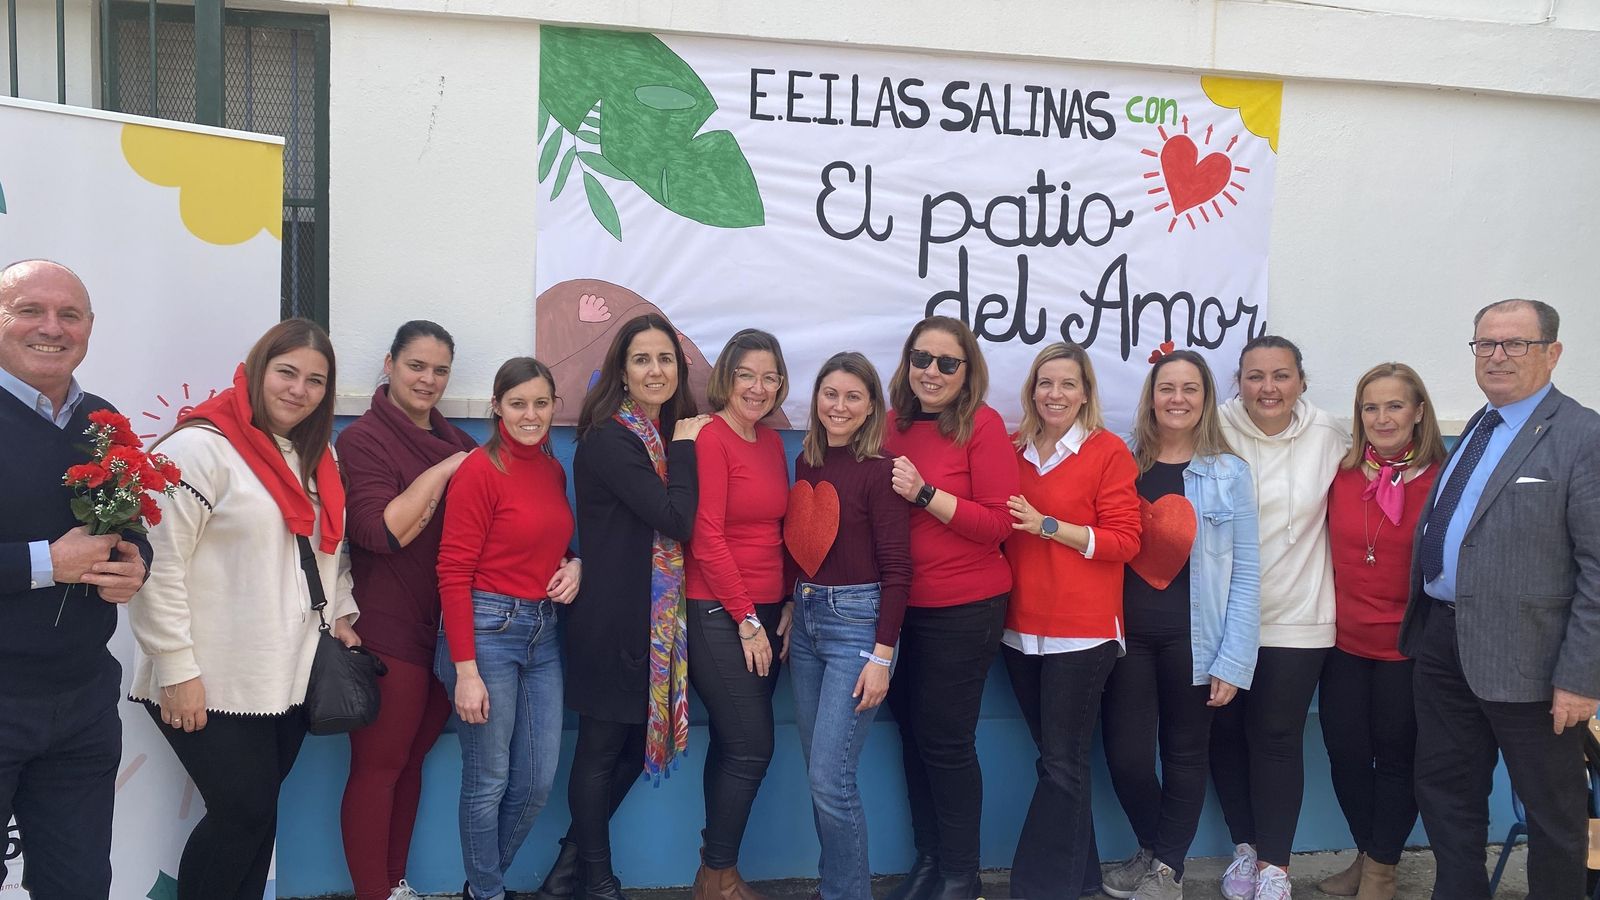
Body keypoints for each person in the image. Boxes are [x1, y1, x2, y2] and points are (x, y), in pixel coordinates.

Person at [129, 318, 359, 900]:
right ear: (257, 370)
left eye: (315, 380)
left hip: (286, 674)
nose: (298, 390)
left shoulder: (315, 454)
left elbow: (330, 549)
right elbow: (158, 567)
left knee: (258, 819)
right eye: (286, 372)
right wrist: (177, 670)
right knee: (242, 815)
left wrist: (343, 612)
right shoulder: (197, 449)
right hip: (210, 674)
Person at [1400, 299, 1600, 900]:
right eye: (1485, 344)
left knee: (1553, 814)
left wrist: (1583, 676)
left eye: (1516, 344)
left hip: (1534, 664)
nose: (1497, 356)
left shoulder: (1582, 435)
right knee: (1445, 791)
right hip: (1443, 642)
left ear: (1553, 353)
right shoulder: (1479, 428)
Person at [536, 314, 709, 900]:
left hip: (651, 621)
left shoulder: (653, 438)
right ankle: (599, 877)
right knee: (602, 747)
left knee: (633, 747)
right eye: (642, 360)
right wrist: (686, 449)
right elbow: (676, 519)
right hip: (612, 620)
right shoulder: (614, 438)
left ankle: (569, 868)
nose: (655, 370)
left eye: (665, 359)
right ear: (622, 372)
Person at [0, 259, 152, 899]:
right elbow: (56, 554)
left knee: (79, 885)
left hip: (82, 704)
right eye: (29, 310)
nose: (51, 328)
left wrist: (134, 564)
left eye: (70, 314)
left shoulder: (102, 421)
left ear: (90, 326)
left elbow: (128, 525)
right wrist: (43, 564)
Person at [1100, 349, 1259, 900]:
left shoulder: (1230, 474)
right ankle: (1154, 850)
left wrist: (1235, 659)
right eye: (1167, 387)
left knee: (1186, 754)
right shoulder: (1120, 460)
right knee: (1125, 755)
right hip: (1125, 638)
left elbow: (1246, 575)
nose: (1178, 399)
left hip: (1199, 639)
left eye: (1190, 389)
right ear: (1150, 396)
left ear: (1206, 399)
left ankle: (1166, 870)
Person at [337, 321, 477, 900]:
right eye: (417, 366)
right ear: (390, 364)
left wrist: (570, 561)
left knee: (412, 761)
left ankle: (393, 885)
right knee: (380, 766)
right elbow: (375, 532)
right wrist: (448, 470)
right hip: (386, 626)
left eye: (440, 370)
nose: (429, 379)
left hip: (447, 633)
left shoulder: (461, 441)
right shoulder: (363, 440)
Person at [881, 315, 1018, 900]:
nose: (931, 372)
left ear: (968, 372)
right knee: (910, 735)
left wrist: (926, 495)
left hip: (965, 605)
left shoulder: (981, 426)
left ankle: (963, 874)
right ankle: (930, 860)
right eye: (922, 359)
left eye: (946, 363)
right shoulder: (888, 425)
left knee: (946, 740)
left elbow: (996, 525)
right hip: (897, 608)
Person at [434, 357, 579, 900]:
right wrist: (465, 671)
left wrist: (575, 564)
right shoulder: (478, 471)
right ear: (496, 406)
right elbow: (453, 571)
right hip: (486, 632)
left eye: (542, 403)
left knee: (537, 782)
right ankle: (489, 893)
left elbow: (549, 540)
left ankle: (481, 887)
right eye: (518, 403)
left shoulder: (551, 467)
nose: (531, 414)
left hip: (542, 632)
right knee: (489, 780)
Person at [999, 342, 1141, 900]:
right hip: (1018, 631)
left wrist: (1049, 526)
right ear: (1032, 390)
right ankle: (1081, 880)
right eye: (1045, 383)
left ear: (1086, 393)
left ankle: (1038, 886)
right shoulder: (1014, 449)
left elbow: (1126, 540)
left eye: (1068, 384)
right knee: (1059, 762)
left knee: (1061, 763)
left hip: (1081, 634)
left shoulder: (1108, 452)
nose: (1055, 394)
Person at [1212, 335, 1348, 900]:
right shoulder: (1211, 429)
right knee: (1224, 737)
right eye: (1255, 376)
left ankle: (1275, 867)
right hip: (1220, 619)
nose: (1268, 388)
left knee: (1275, 736)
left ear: (1301, 381)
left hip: (1299, 617)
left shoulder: (1332, 435)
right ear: (1238, 382)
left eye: (1282, 375)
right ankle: (1244, 849)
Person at [784, 351, 911, 900]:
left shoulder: (881, 473)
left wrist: (882, 657)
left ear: (871, 409)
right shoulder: (806, 463)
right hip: (808, 623)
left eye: (853, 396)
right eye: (830, 394)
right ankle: (835, 885)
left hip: (859, 630)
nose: (839, 406)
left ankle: (847, 893)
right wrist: (792, 605)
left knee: (830, 780)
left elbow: (899, 571)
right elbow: (803, 547)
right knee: (820, 775)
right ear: (816, 400)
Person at [1314, 363, 1443, 900]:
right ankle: (1367, 853)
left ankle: (1383, 871)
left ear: (1418, 412)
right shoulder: (1342, 473)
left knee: (1396, 759)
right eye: (1371, 407)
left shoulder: (1443, 478)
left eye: (1394, 406)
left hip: (1407, 647)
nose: (1382, 417)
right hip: (1344, 643)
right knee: (1344, 755)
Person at [684, 329, 792, 899]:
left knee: (733, 742)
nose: (758, 387)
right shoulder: (712, 439)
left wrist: (789, 602)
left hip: (768, 608)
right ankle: (717, 875)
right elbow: (706, 536)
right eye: (747, 374)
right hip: (720, 611)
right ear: (726, 376)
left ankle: (717, 870)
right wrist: (747, 617)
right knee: (753, 745)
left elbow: (784, 530)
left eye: (769, 376)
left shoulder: (771, 444)